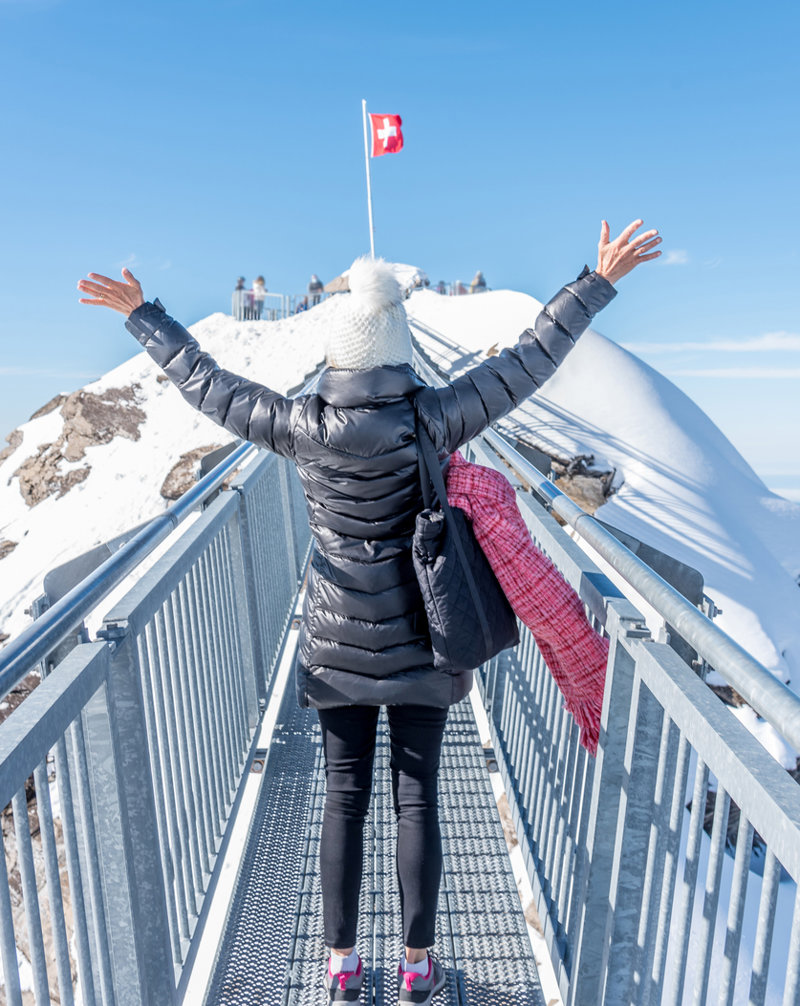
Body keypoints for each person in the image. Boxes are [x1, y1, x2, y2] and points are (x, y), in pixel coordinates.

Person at [77, 219, 661, 1004]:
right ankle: (419, 965)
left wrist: (144, 316)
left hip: (335, 645)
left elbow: (206, 383)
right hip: (426, 640)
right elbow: (529, 362)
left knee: (343, 798)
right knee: (417, 797)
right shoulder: (434, 418)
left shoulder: (298, 423)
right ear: (396, 351)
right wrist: (595, 282)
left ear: (339, 354)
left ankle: (342, 964)